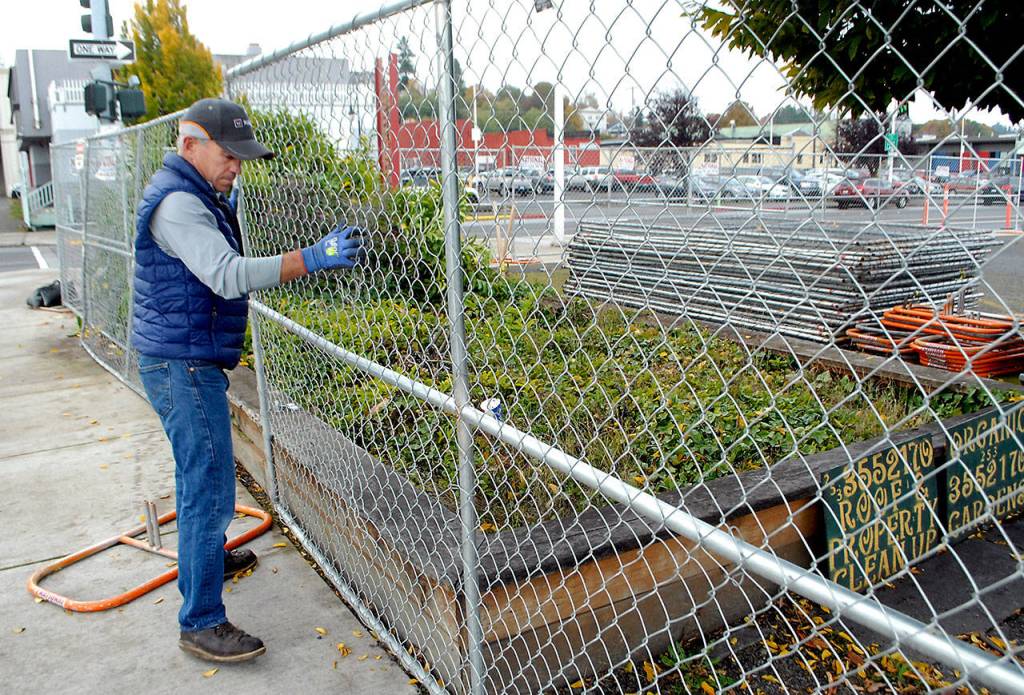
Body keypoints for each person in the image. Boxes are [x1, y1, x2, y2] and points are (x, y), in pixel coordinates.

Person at [131, 97, 361, 663]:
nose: (236, 166)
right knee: (208, 486)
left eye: (241, 157)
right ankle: (201, 619)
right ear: (190, 146)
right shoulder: (180, 204)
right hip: (182, 362)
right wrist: (310, 257)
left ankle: (204, 562)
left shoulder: (194, 192)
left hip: (181, 356)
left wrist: (224, 197)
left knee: (200, 477)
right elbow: (228, 276)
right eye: (228, 154)